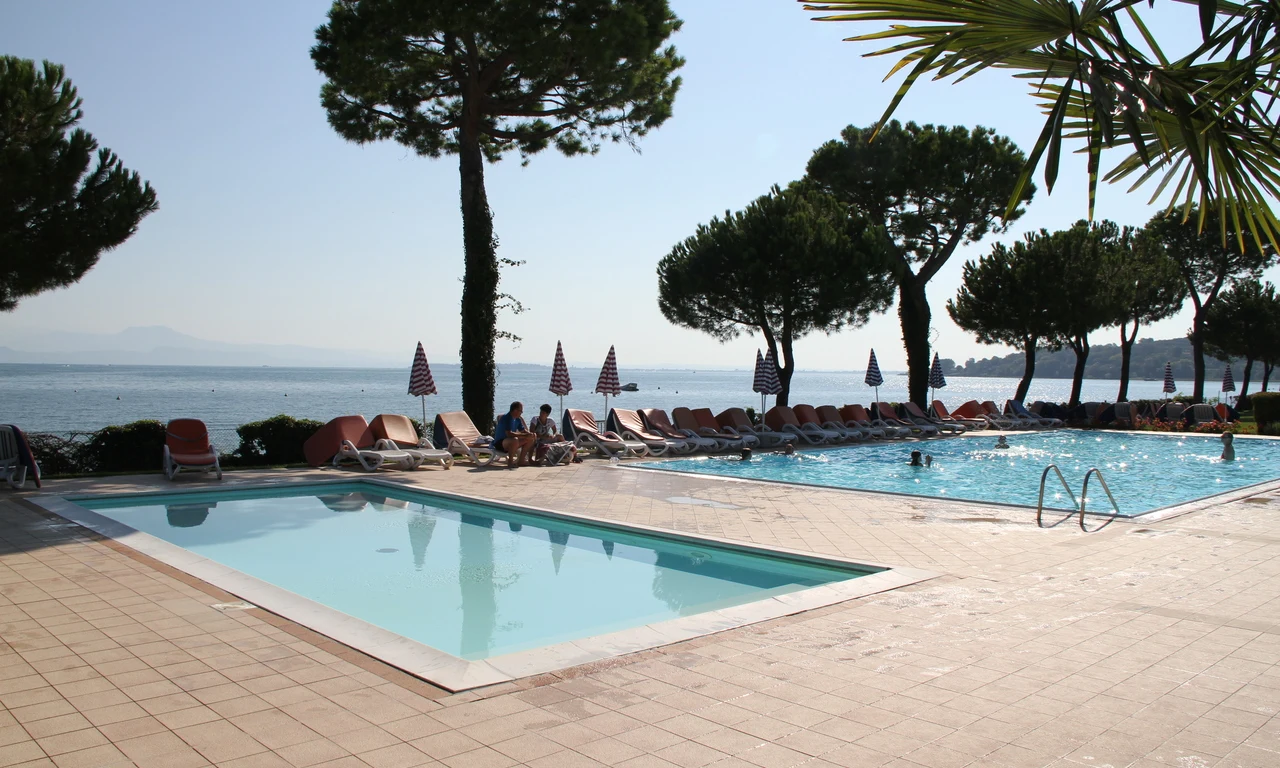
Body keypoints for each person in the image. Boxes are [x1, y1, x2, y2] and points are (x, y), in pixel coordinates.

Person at [493, 401, 536, 467]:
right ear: (515, 410)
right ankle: (510, 462)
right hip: (500, 443)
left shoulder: (517, 419)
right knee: (514, 440)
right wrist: (525, 435)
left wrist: (530, 434)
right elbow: (509, 434)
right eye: (520, 411)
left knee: (530, 439)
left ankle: (521, 461)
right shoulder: (506, 418)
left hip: (509, 442)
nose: (521, 413)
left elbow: (523, 430)